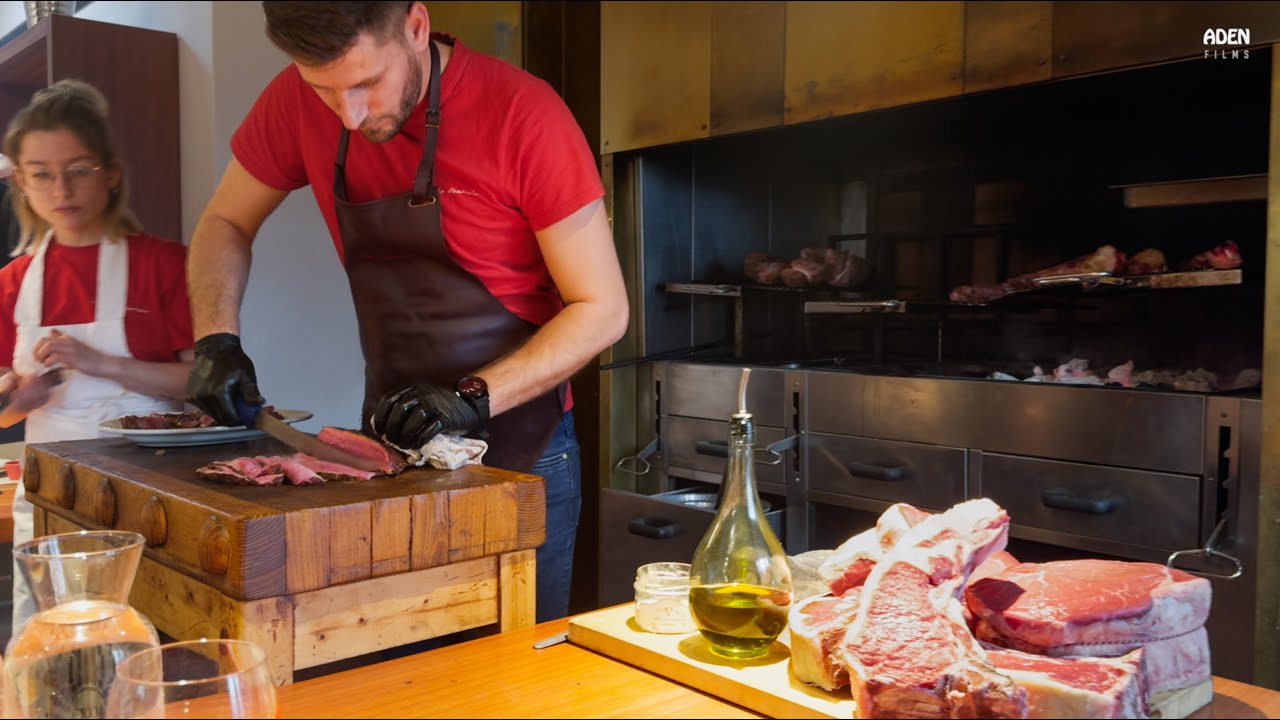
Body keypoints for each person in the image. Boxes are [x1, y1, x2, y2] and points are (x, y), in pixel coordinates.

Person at [184, 2, 628, 623]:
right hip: (390, 451)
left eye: (368, 82)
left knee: (515, 680)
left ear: (416, 28)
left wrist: (472, 397)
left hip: (522, 451)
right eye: (325, 90)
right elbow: (224, 220)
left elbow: (603, 309)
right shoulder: (294, 101)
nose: (351, 112)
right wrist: (215, 340)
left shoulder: (523, 113)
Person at [0, 80, 196, 630]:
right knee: (51, 647)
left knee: (147, 638)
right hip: (49, 497)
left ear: (110, 173)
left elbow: (202, 384)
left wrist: (97, 361)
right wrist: (20, 397)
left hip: (153, 494)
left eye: (78, 168)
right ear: (21, 181)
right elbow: (5, 412)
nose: (60, 187)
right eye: (40, 173)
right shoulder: (11, 284)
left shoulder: (165, 264)